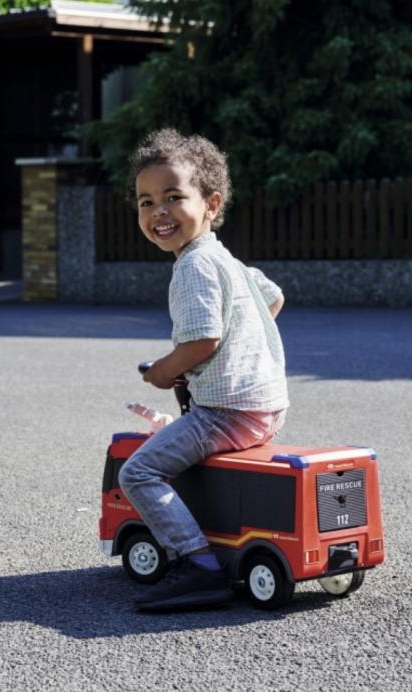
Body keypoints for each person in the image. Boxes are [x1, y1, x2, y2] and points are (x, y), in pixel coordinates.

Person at [118, 129, 289, 612]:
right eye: (146, 201)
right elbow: (272, 297)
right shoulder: (226, 258)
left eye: (174, 198)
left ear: (211, 204)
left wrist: (162, 372)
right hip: (267, 407)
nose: (159, 213)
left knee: (140, 472)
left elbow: (201, 341)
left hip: (226, 413)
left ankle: (199, 566)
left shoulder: (193, 266)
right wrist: (240, 350)